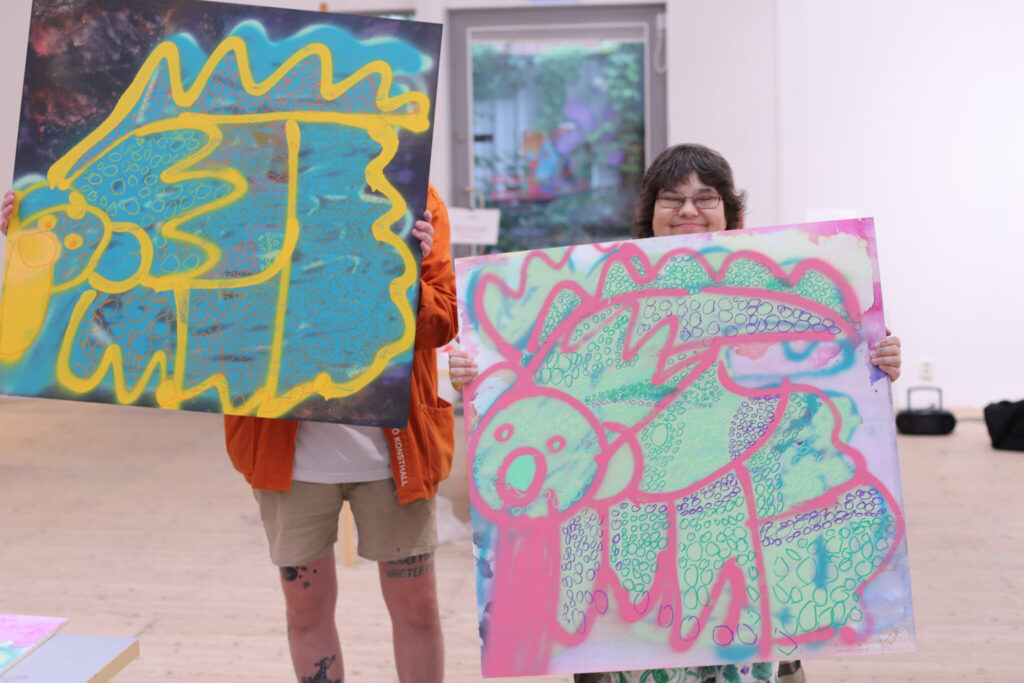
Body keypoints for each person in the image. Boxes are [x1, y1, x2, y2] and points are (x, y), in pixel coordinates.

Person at [448, 144, 901, 683]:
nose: (689, 211)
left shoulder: (761, 275)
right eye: (673, 199)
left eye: (705, 199)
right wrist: (474, 376)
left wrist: (877, 360)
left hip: (734, 504)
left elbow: (828, 361)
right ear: (650, 214)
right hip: (633, 521)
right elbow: (529, 375)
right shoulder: (603, 285)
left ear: (731, 213)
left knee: (733, 622)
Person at [224, 183, 457, 683]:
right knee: (305, 611)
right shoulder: (250, 185)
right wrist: (34, 226)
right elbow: (184, 282)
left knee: (417, 607)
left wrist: (407, 273)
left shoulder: (417, 195)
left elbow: (444, 321)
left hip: (396, 453)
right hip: (288, 450)